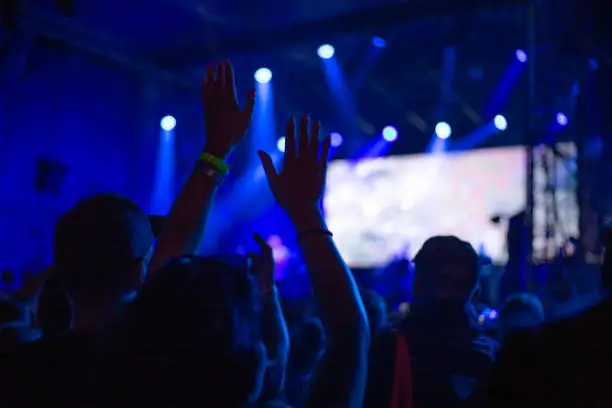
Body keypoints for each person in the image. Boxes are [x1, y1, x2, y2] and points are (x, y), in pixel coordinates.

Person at [0, 60, 256, 407]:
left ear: (59, 274)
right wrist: (218, 148)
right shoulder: (151, 379)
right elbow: (177, 244)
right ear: (141, 272)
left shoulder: (16, 366)